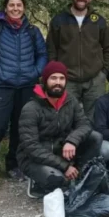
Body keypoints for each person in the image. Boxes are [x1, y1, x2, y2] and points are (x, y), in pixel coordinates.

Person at [0, 0, 48, 181]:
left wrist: (35, 72)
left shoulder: (32, 31)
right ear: (5, 7)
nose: (15, 8)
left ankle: (13, 165)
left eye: (19, 5)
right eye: (11, 5)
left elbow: (43, 55)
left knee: (20, 129)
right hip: (0, 86)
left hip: (26, 86)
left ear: (24, 8)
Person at [17, 61, 103, 198]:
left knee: (95, 137)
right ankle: (52, 180)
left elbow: (85, 124)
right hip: (34, 158)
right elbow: (31, 147)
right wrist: (65, 166)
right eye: (53, 78)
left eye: (61, 78)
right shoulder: (31, 108)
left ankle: (79, 173)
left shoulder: (70, 101)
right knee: (57, 180)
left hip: (62, 151)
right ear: (45, 81)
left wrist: (72, 141)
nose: (58, 82)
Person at [46, 0, 109, 119]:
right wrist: (55, 73)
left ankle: (92, 141)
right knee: (66, 117)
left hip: (94, 79)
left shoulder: (98, 21)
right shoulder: (59, 20)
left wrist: (104, 72)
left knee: (94, 118)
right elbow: (51, 48)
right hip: (67, 79)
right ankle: (69, 141)